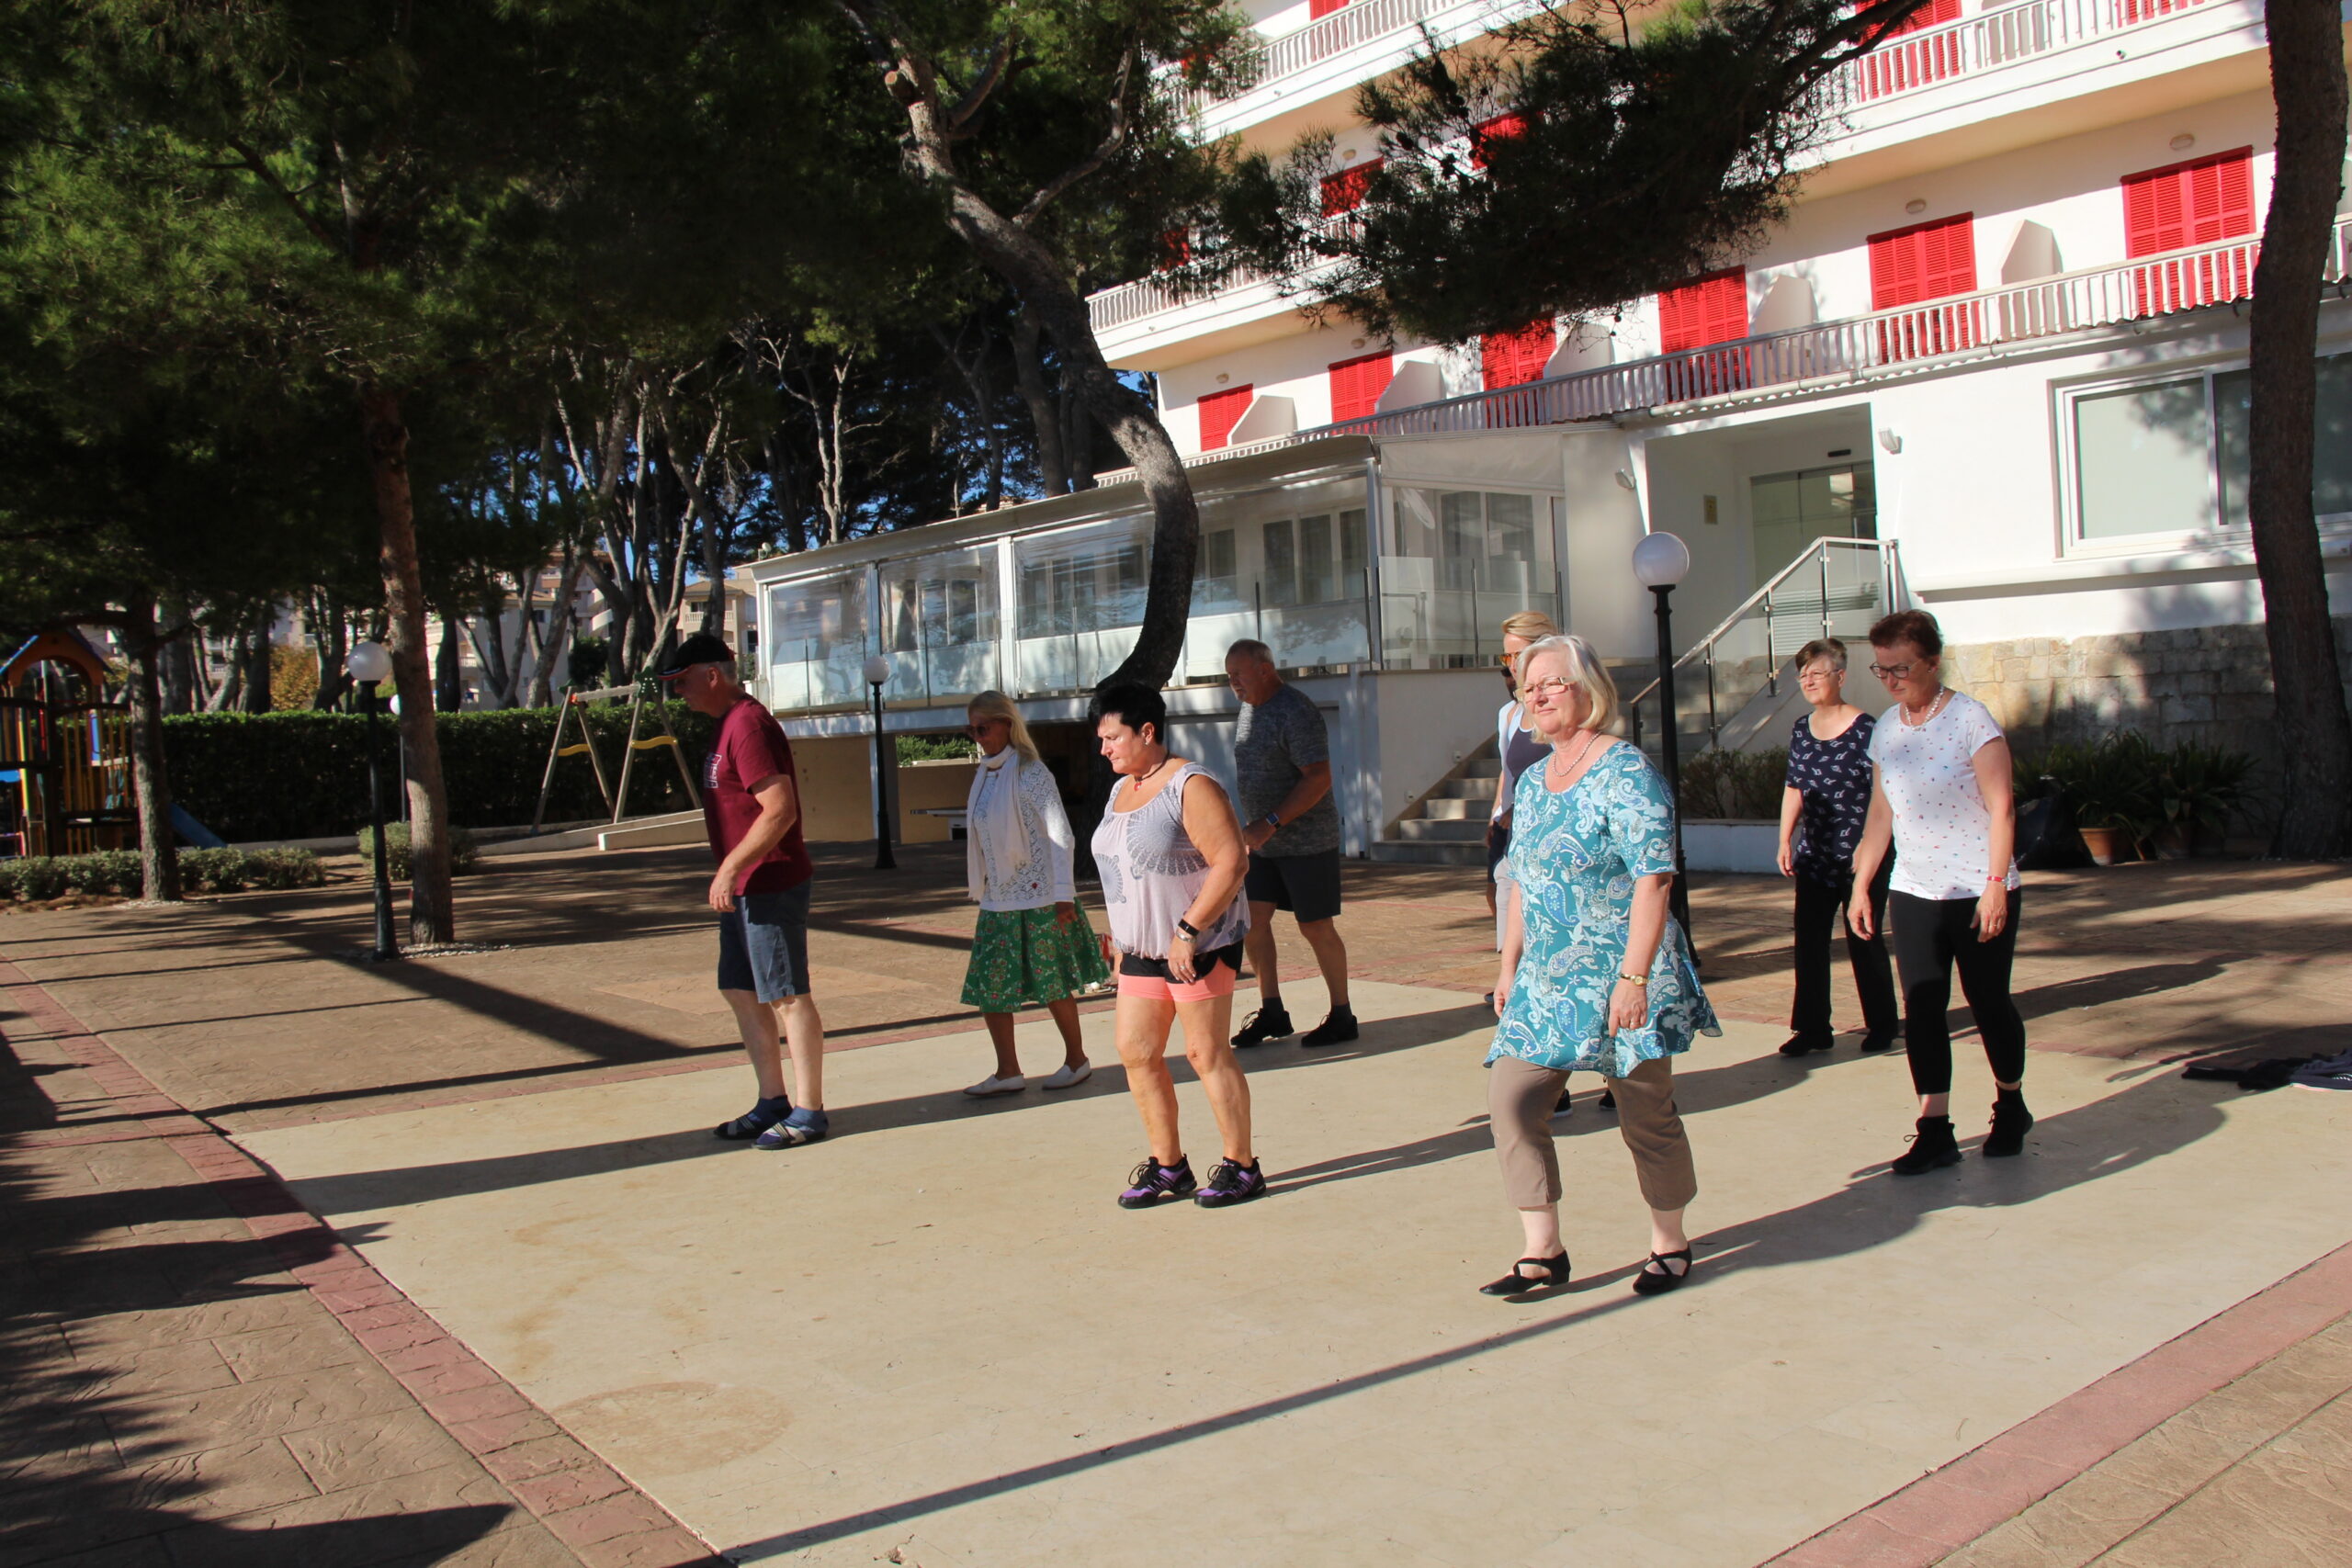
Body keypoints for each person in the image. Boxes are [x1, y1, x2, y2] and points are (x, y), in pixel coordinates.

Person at [1487, 636, 1716, 1298]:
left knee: (1645, 1113)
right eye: (1529, 686)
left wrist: (1634, 978)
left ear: (1588, 688)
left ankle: (1670, 1242)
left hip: (1623, 971)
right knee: (1512, 1099)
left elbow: (1655, 878)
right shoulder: (1534, 781)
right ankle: (1543, 1249)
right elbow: (1524, 881)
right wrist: (1508, 966)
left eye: (1552, 682)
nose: (1538, 696)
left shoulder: (1626, 771)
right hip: (1547, 979)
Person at [1848, 609, 2031, 1172]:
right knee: (1922, 1007)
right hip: (1913, 888)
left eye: (1900, 668)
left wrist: (1995, 886)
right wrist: (1862, 886)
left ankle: (2010, 1104)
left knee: (1988, 1001)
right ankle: (1934, 1130)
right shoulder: (1886, 728)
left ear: (1932, 662)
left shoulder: (1972, 720)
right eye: (1881, 670)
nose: (1890, 680)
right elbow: (1881, 813)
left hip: (1977, 887)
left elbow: (2002, 808)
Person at [1089, 682, 1266, 1209]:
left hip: (1199, 944)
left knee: (1205, 1052)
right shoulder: (1120, 790)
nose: (1104, 748)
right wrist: (1122, 943)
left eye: (1112, 737)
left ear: (1147, 731)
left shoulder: (1190, 784)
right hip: (1142, 950)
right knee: (1137, 1052)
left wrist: (1187, 932)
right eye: (1101, 738)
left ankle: (1243, 1166)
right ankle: (1169, 1166)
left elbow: (1232, 862)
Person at [662, 631, 830, 1150]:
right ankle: (772, 1102)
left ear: (713, 675)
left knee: (786, 994)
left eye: (683, 682)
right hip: (744, 887)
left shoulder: (749, 725)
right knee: (739, 988)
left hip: (768, 881)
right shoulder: (725, 725)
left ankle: (809, 1112)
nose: (678, 692)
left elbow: (780, 810)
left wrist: (731, 868)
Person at [956, 691, 1108, 1098]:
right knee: (992, 988)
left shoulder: (1032, 772)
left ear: (1007, 724)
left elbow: (1061, 834)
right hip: (998, 899)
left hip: (1041, 899)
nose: (978, 737)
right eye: (971, 730)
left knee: (1053, 984)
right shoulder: (985, 774)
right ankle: (1008, 1071)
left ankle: (1076, 1060)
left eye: (983, 728)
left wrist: (1063, 894)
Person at [1224, 640, 1356, 1049]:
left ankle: (1342, 1015)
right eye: (1228, 676)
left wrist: (1271, 822)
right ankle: (1272, 1011)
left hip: (1306, 842)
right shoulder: (1249, 709)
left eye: (1238, 674)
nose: (1233, 683)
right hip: (1263, 845)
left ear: (1265, 670)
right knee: (1252, 921)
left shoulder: (1295, 711)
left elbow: (1319, 778)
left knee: (1315, 926)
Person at [1775, 637, 1900, 1056]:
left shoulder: (1867, 729)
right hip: (1816, 854)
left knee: (1863, 936)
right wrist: (1785, 838)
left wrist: (1868, 849)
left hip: (1862, 853)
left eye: (1817, 673)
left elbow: (1882, 796)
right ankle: (1812, 1029)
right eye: (1803, 675)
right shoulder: (1801, 728)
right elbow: (1795, 786)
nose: (1809, 681)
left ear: (1840, 677)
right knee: (1809, 942)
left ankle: (1881, 1024)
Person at [1487, 611, 1560, 934]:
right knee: (1502, 905)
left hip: (1550, 838)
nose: (1513, 664)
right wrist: (1497, 812)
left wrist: (1520, 809)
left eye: (1519, 654)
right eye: (1507, 657)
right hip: (1513, 835)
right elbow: (1508, 770)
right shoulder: (1509, 713)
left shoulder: (1560, 709)